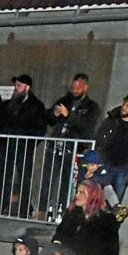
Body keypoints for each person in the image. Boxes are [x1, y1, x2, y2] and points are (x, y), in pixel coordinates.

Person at [38, 73, 101, 219]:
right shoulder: (64, 100)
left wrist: (68, 115)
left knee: (67, 183)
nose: (75, 90)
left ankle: (64, 211)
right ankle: (42, 210)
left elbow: (87, 126)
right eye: (73, 87)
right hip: (55, 147)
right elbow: (50, 119)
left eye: (78, 87)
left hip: (73, 150)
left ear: (85, 87)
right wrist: (54, 113)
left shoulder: (92, 107)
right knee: (47, 180)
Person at [52, 180, 121, 255]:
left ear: (92, 195)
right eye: (77, 192)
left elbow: (112, 249)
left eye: (81, 192)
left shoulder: (106, 220)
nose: (77, 195)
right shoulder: (71, 215)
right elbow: (59, 235)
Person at [0, 74, 46, 216]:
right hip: (8, 147)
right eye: (15, 85)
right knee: (4, 177)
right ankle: (0, 205)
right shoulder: (8, 105)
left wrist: (30, 143)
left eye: (19, 85)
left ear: (27, 87)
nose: (16, 88)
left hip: (25, 148)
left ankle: (25, 208)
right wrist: (0, 142)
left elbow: (40, 128)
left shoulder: (36, 106)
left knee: (25, 178)